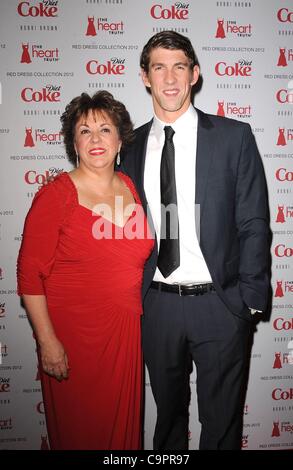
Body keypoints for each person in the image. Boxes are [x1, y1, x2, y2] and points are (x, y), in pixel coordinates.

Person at [120, 31, 270, 450]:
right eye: (159, 67)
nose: (170, 78)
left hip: (220, 305)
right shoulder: (128, 148)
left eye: (179, 66)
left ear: (195, 74)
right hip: (156, 305)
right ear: (145, 77)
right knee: (167, 420)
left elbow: (254, 221)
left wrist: (249, 298)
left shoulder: (233, 137)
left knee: (221, 424)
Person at [17, 91, 154, 450]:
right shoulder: (56, 195)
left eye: (105, 129)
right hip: (73, 340)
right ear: (73, 142)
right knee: (82, 434)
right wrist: (48, 343)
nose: (96, 139)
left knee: (123, 440)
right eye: (85, 130)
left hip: (124, 336)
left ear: (120, 139)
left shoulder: (131, 187)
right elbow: (30, 277)